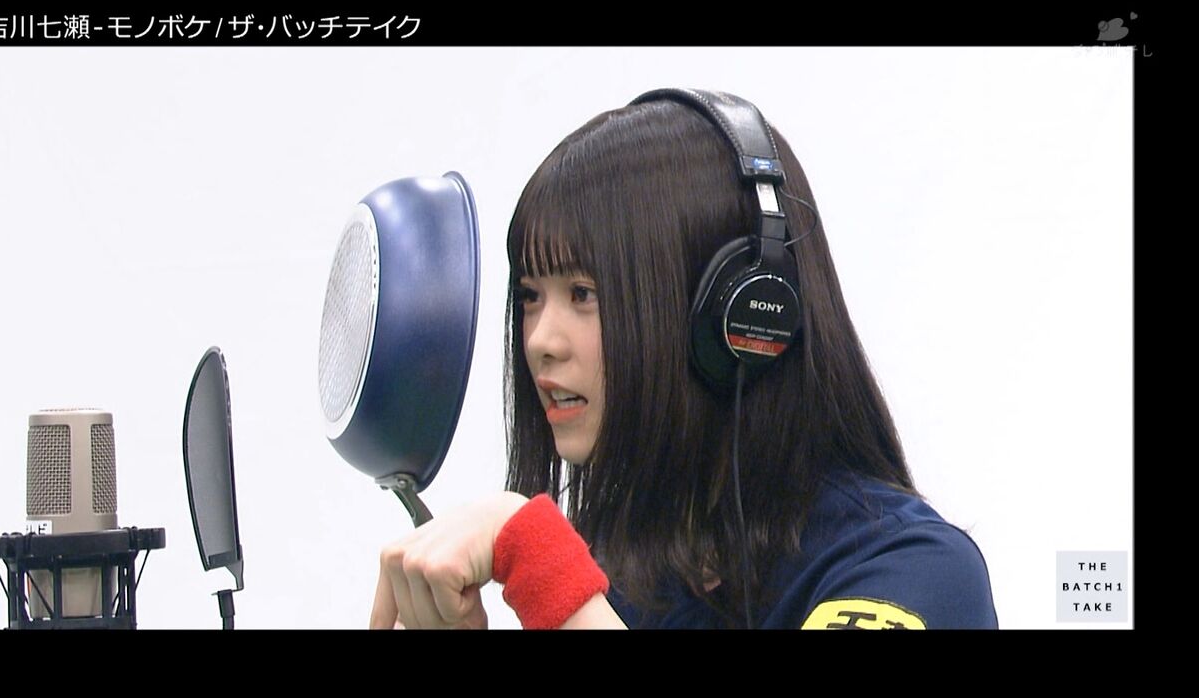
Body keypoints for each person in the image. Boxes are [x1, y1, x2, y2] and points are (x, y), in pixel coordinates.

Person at [370, 89, 998, 630]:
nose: (541, 340)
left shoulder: (911, 571)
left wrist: (539, 563)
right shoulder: (617, 580)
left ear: (740, 316)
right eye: (531, 297)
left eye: (583, 294)